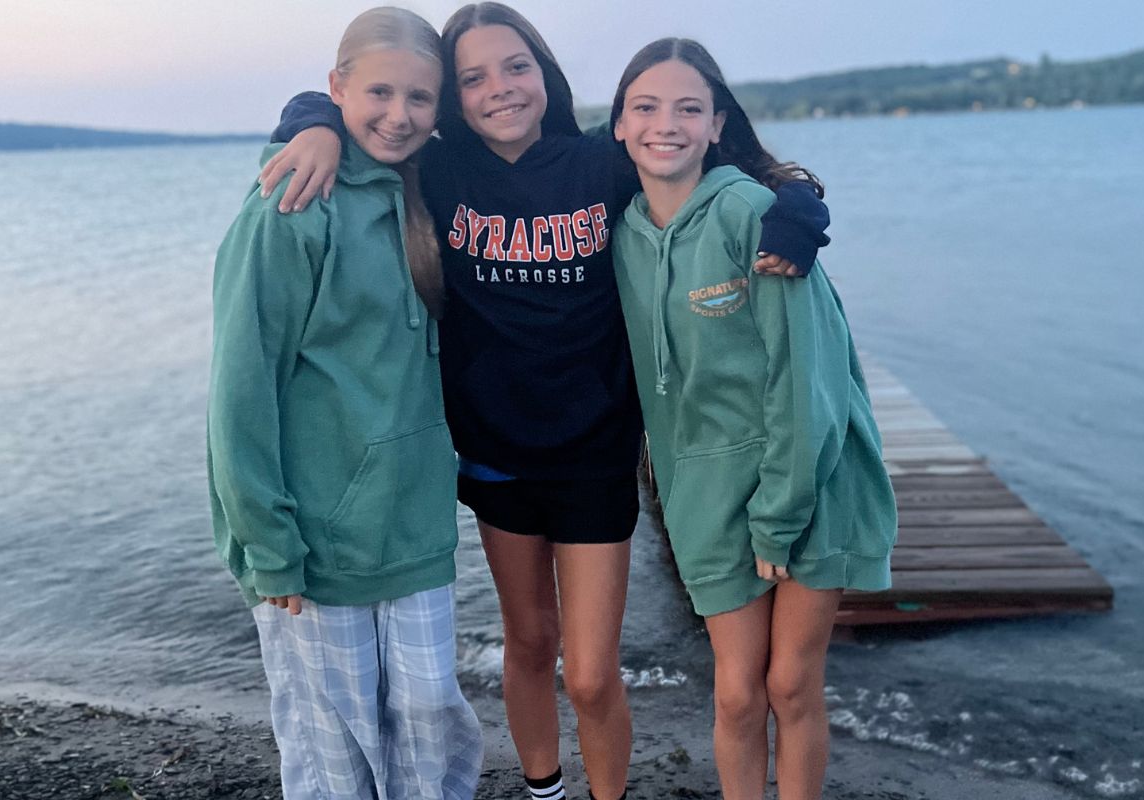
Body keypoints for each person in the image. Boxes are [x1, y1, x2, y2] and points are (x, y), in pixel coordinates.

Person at [257, 6, 832, 799]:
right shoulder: (440, 167)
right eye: (474, 77)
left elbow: (698, 163)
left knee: (592, 675)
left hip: (595, 457)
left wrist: (797, 210)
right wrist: (312, 120)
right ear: (453, 99)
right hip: (495, 457)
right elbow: (362, 109)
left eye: (516, 66)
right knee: (528, 646)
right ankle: (544, 788)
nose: (500, 88)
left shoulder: (599, 165)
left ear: (544, 73)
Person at [608, 38, 897, 800]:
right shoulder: (620, 234)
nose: (664, 124)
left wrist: (780, 513)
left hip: (807, 479)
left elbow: (807, 385)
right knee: (736, 692)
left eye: (687, 108)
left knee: (792, 684)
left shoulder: (757, 218)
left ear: (715, 126)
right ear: (617, 126)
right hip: (703, 487)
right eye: (645, 107)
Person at [206, 8, 482, 799]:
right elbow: (239, 387)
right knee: (335, 746)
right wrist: (268, 543)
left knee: (433, 717)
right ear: (337, 89)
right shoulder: (293, 203)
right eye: (379, 93)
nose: (399, 115)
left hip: (415, 526)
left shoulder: (433, 187)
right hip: (313, 541)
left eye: (420, 99)